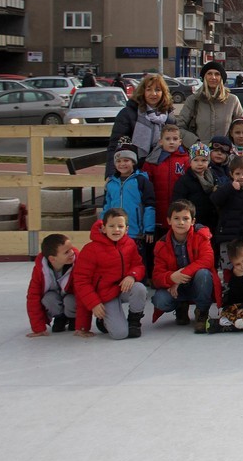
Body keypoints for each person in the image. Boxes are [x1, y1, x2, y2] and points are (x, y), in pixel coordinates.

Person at [72, 209, 148, 340]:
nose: (116, 230)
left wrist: (132, 275)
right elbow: (81, 281)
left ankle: (134, 322)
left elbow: (138, 265)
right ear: (103, 228)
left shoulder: (129, 244)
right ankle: (103, 322)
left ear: (127, 229)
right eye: (111, 226)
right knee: (119, 334)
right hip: (105, 294)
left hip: (123, 288)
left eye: (120, 226)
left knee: (139, 288)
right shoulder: (91, 249)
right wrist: (94, 303)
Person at [151, 199, 221, 332]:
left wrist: (182, 274)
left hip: (198, 284)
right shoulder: (161, 245)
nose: (181, 222)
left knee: (204, 273)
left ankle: (202, 312)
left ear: (193, 221)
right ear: (169, 220)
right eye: (176, 218)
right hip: (175, 288)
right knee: (160, 300)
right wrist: (172, 278)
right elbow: (156, 276)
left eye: (185, 218)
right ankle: (180, 307)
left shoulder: (201, 237)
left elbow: (207, 260)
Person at [104, 72, 174, 177]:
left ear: (163, 93)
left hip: (161, 168)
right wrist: (111, 174)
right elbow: (114, 146)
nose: (153, 94)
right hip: (134, 169)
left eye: (158, 90)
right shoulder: (128, 113)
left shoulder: (168, 116)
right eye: (149, 89)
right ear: (142, 92)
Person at [103, 143, 156, 274]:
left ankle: (140, 283)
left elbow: (149, 205)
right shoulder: (111, 183)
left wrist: (149, 228)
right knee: (117, 260)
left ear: (133, 162)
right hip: (114, 230)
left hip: (135, 230)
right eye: (119, 161)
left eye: (126, 160)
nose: (122, 164)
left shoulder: (141, 181)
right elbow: (106, 206)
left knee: (137, 260)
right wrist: (102, 225)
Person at [176, 60, 243, 148]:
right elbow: (179, 127)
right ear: (204, 77)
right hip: (199, 154)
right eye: (209, 74)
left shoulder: (232, 100)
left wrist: (228, 144)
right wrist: (195, 142)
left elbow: (241, 127)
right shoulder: (193, 100)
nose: (213, 77)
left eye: (217, 74)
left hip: (225, 153)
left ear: (221, 78)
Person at [143, 124, 189, 250]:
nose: (171, 142)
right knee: (159, 246)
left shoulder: (186, 160)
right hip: (159, 212)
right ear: (160, 141)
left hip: (179, 212)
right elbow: (146, 187)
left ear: (180, 141)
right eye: (168, 139)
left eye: (175, 139)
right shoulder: (151, 162)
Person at [25, 233, 77, 336]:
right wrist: (38, 328)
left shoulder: (78, 263)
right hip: (55, 297)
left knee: (70, 300)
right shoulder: (40, 270)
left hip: (71, 298)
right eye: (66, 252)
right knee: (48, 298)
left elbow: (82, 292)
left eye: (71, 249)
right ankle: (60, 317)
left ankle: (73, 318)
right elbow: (33, 297)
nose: (72, 253)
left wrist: (82, 326)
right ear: (52, 259)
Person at [210, 155, 243, 264]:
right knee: (228, 264)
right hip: (227, 234)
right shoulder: (226, 187)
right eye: (237, 174)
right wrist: (230, 188)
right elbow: (215, 199)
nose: (241, 177)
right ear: (231, 174)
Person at [171, 142, 219, 236]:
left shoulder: (213, 176)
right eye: (196, 160)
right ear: (190, 162)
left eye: (203, 160)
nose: (200, 164)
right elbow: (178, 203)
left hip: (212, 222)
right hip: (194, 224)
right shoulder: (184, 181)